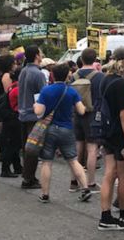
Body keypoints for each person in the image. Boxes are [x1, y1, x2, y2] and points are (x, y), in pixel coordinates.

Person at [34, 63, 93, 204]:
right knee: (73, 160)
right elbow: (81, 111)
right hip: (67, 128)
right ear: (67, 75)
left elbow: (38, 111)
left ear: (53, 75)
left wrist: (35, 105)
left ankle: (45, 194)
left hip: (49, 130)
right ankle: (85, 188)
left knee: (46, 162)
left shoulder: (46, 90)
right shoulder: (71, 91)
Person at [98, 47, 124, 231]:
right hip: (120, 134)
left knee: (109, 174)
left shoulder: (104, 80)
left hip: (107, 132)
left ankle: (105, 215)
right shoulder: (121, 84)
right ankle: (122, 213)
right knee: (123, 175)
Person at [71, 48, 104, 193]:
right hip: (92, 114)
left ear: (81, 59)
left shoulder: (74, 76)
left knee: (78, 147)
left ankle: (74, 181)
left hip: (77, 113)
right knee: (92, 149)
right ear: (95, 59)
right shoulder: (99, 76)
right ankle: (90, 182)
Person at [17, 45, 46, 189]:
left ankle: (27, 176)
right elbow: (43, 96)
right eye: (40, 53)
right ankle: (28, 179)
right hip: (33, 115)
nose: (42, 55)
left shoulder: (23, 71)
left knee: (26, 148)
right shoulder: (38, 74)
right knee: (33, 149)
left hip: (22, 112)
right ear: (36, 55)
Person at [0, 55, 21, 179]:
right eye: (13, 63)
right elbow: (9, 94)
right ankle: (7, 167)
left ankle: (17, 165)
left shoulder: (1, 75)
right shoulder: (7, 76)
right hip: (7, 112)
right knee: (11, 140)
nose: (15, 65)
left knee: (11, 140)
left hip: (3, 111)